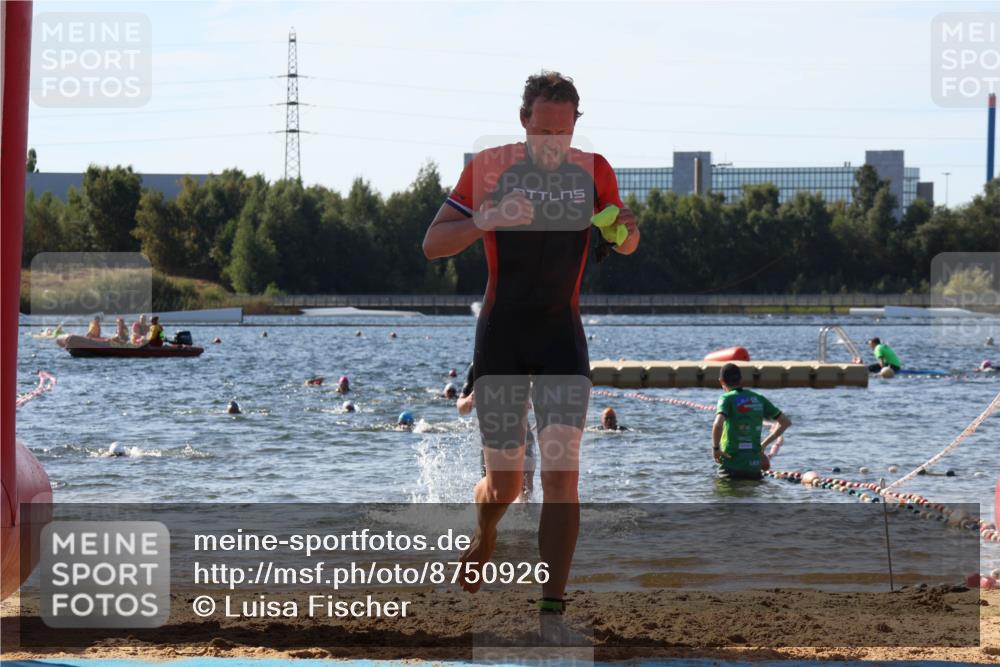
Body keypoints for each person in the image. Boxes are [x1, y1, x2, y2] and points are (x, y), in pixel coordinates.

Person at [422, 71, 639, 634]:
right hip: (502, 338)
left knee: (564, 477)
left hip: (562, 338)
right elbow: (433, 244)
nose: (553, 146)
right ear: (524, 122)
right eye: (544, 132)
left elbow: (627, 238)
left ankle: (551, 611)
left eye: (563, 135)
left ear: (575, 128)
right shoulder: (489, 168)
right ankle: (486, 532)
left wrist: (624, 232)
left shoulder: (595, 171)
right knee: (507, 483)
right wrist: (485, 218)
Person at [458, 363, 535, 500]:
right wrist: (470, 400)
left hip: (522, 434)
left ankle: (525, 519)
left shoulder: (522, 359)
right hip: (491, 438)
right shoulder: (477, 366)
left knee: (525, 486)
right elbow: (461, 408)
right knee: (494, 492)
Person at [713, 363, 791, 481]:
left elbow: (718, 424)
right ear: (741, 380)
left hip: (730, 466)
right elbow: (785, 422)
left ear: (721, 381)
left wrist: (716, 449)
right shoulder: (758, 398)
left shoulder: (726, 398)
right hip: (753, 467)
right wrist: (763, 445)